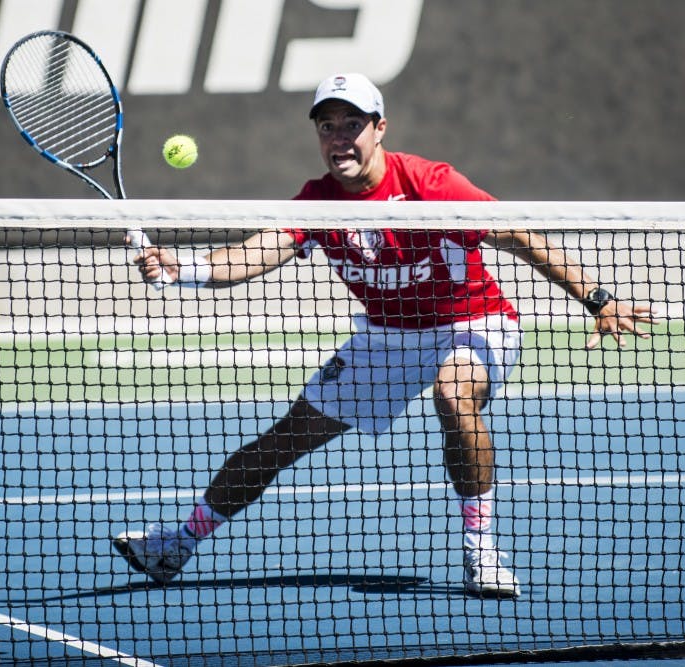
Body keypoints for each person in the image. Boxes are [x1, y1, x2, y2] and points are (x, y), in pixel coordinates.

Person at [116, 73, 656, 597]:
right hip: (385, 338)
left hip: (473, 324)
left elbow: (520, 236)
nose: (339, 137)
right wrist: (182, 268)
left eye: (352, 123)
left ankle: (481, 548)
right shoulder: (316, 201)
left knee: (453, 394)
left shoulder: (431, 184)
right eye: (327, 126)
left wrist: (598, 301)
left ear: (379, 129)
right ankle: (177, 545)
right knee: (283, 440)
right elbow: (254, 253)